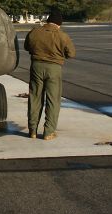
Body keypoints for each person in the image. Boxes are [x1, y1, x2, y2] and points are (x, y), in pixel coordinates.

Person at [24, 8, 76, 140]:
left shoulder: (35, 32)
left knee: (35, 97)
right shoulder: (62, 35)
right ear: (59, 23)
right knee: (53, 100)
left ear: (48, 20)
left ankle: (32, 130)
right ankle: (49, 132)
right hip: (54, 68)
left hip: (36, 66)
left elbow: (26, 47)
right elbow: (71, 54)